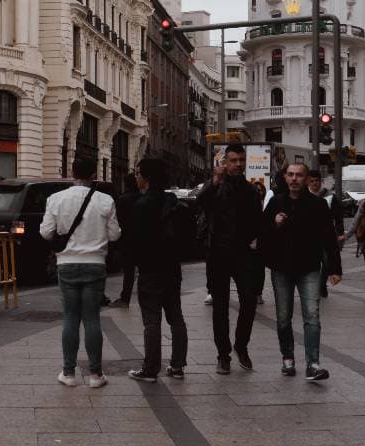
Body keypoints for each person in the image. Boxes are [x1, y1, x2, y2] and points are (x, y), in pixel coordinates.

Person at [40, 154, 120, 388]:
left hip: (66, 263)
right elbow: (115, 234)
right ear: (94, 174)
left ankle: (69, 373)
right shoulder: (105, 200)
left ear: (72, 173)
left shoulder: (55, 199)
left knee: (70, 318)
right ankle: (96, 375)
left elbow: (45, 232)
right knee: (92, 318)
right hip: (95, 263)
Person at [261, 161, 342, 381]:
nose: (294, 179)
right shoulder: (276, 203)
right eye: (290, 175)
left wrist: (335, 269)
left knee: (312, 316)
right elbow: (262, 237)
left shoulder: (317, 205)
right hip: (282, 268)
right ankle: (288, 358)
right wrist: (274, 224)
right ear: (285, 178)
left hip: (309, 268)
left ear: (306, 179)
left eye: (299, 175)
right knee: (283, 317)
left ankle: (313, 364)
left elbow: (329, 239)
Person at [196, 141, 261, 374]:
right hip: (218, 254)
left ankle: (241, 346)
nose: (238, 164)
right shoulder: (215, 186)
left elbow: (257, 220)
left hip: (243, 254)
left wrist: (255, 241)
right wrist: (214, 182)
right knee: (220, 306)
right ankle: (223, 355)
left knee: (249, 300)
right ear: (224, 163)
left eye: (241, 160)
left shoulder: (251, 189)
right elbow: (200, 202)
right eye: (233, 160)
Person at [123, 158, 189, 382]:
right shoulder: (172, 201)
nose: (136, 177)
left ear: (147, 177)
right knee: (176, 318)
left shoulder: (142, 205)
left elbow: (135, 239)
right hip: (172, 268)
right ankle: (178, 366)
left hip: (150, 270)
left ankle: (150, 369)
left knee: (152, 321)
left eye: (138, 172)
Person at [307, 170, 343, 297]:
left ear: (320, 181)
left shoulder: (330, 196)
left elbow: (338, 216)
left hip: (326, 235)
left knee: (327, 262)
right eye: (312, 181)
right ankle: (314, 286)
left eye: (317, 181)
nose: (315, 183)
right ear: (308, 182)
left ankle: (322, 284)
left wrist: (340, 232)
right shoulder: (305, 196)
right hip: (310, 237)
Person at [110, 174, 140, 308]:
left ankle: (125, 298)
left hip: (126, 239)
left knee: (128, 270)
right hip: (139, 238)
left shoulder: (122, 199)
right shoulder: (141, 197)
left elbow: (117, 220)